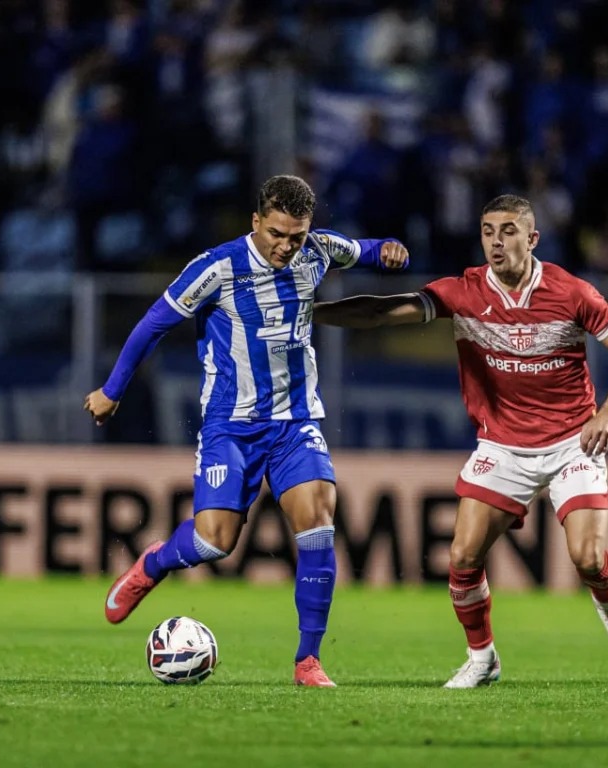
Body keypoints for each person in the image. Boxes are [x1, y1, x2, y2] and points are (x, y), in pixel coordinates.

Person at [313, 194, 608, 688]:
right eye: (488, 231)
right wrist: (312, 312)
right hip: (502, 447)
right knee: (462, 557)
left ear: (532, 239)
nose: (496, 241)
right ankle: (482, 658)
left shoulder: (571, 292)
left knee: (585, 558)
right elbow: (384, 312)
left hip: (571, 444)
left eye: (509, 231)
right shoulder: (464, 293)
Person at [84, 175, 408, 686]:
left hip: (296, 421)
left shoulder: (318, 250)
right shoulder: (217, 267)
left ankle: (308, 660)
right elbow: (153, 324)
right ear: (256, 222)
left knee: (318, 522)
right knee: (215, 542)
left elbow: (365, 250)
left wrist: (389, 250)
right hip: (230, 427)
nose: (286, 246)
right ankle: (155, 563)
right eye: (276, 233)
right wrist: (112, 389)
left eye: (295, 236)